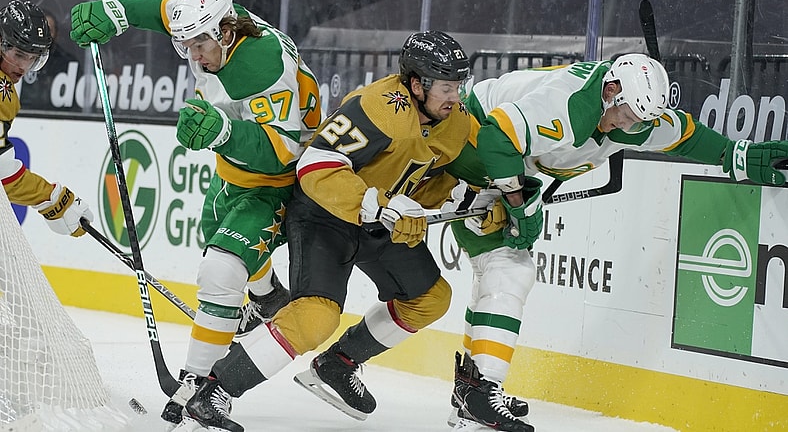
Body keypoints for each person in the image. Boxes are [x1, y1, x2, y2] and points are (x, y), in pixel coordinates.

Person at [171, 30, 539, 432]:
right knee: (316, 317)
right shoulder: (379, 107)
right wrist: (377, 203)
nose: (456, 96)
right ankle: (213, 390)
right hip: (324, 215)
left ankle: (338, 363)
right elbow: (316, 165)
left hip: (375, 223)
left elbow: (434, 179)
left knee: (431, 299)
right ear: (417, 85)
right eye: (446, 87)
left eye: (459, 86)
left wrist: (472, 205)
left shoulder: (455, 123)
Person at [442, 52, 788, 431]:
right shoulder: (570, 104)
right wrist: (518, 203)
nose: (628, 126)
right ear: (610, 91)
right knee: (509, 268)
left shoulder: (634, 116)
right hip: (469, 141)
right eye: (626, 115)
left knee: (496, 271)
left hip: (504, 160)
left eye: (638, 120)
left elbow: (685, 135)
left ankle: (473, 388)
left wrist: (735, 154)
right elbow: (496, 136)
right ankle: (479, 390)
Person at [69, 0, 322, 426]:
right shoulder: (210, 20)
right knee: (217, 241)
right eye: (184, 45)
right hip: (232, 175)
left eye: (200, 45)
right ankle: (266, 297)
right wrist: (116, 12)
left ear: (226, 32)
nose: (194, 56)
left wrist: (223, 132)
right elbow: (166, 8)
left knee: (222, 271)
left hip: (279, 183)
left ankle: (199, 385)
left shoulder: (260, 67)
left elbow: (281, 152)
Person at [1, 0, 93, 237]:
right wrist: (53, 199)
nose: (24, 66)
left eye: (32, 58)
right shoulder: (2, 94)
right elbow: (3, 174)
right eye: (19, 54)